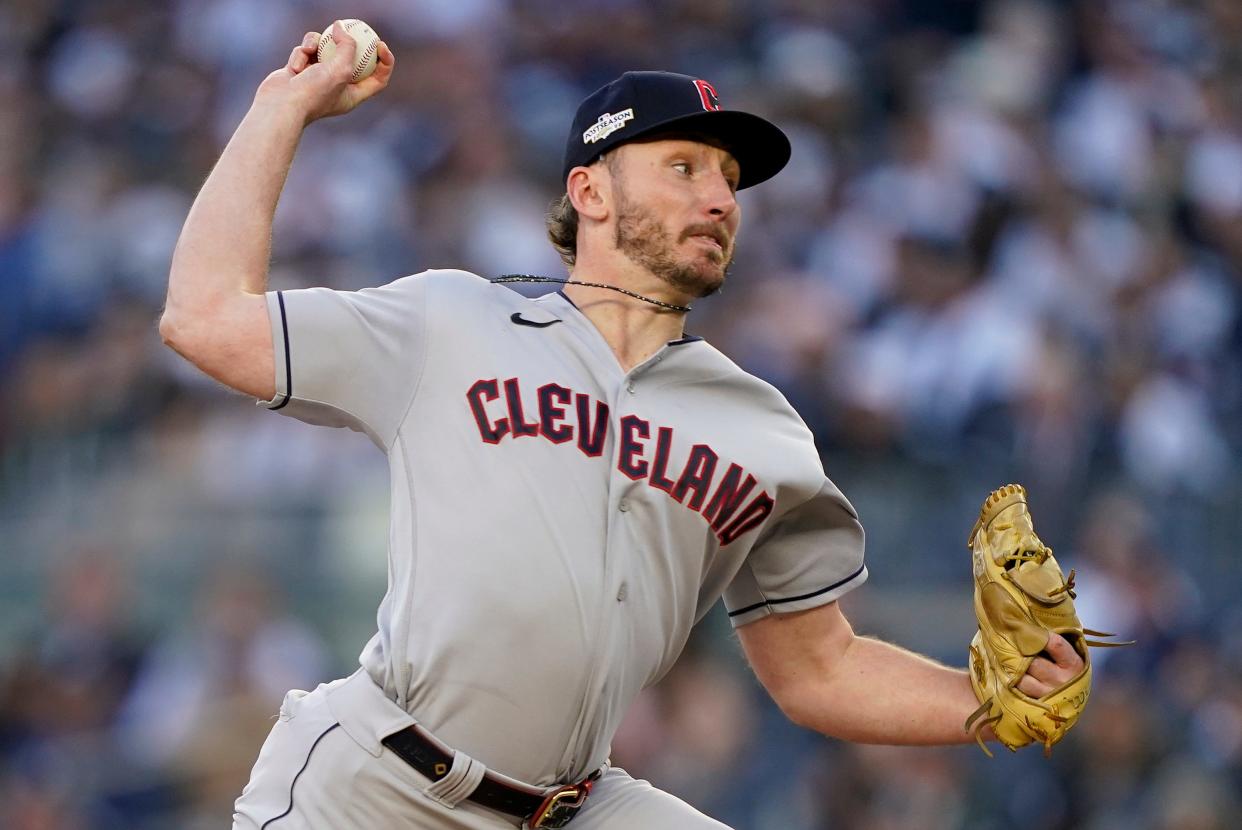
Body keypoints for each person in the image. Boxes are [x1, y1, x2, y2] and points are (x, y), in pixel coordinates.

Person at [160, 22, 1085, 830]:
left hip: (574, 806)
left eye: (728, 180)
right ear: (591, 193)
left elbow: (820, 670)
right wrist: (284, 105)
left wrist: (985, 701)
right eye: (683, 168)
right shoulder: (448, 322)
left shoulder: (760, 427)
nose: (720, 199)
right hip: (375, 788)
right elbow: (202, 317)